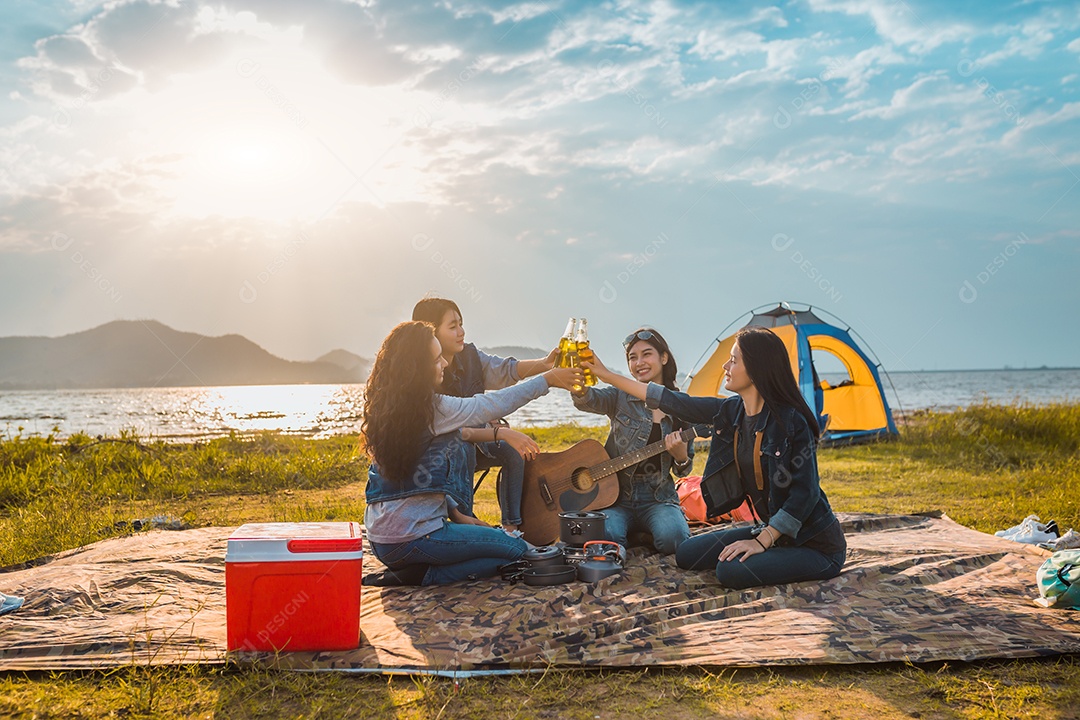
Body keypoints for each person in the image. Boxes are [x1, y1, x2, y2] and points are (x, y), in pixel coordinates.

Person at [582, 327, 846, 589]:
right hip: (773, 532)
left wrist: (761, 541)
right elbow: (671, 401)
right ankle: (770, 545)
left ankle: (776, 550)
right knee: (687, 554)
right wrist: (604, 374)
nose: (725, 365)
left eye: (733, 359)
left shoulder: (791, 422)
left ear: (756, 368)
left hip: (813, 543)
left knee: (729, 570)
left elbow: (805, 494)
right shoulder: (732, 411)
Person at [362, 320, 579, 586]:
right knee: (517, 551)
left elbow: (410, 478)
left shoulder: (390, 411)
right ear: (417, 368)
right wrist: (547, 380)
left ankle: (417, 566)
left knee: (498, 543)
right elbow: (488, 405)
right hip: (417, 538)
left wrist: (457, 513)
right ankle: (423, 574)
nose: (444, 364)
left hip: (382, 542)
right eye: (436, 359)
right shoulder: (433, 408)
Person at [412, 298, 558, 532]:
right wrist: (500, 431)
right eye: (452, 326)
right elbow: (460, 431)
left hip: (480, 437)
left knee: (513, 452)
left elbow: (506, 371)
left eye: (461, 323)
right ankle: (466, 523)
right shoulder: (423, 379)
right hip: (443, 454)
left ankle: (511, 528)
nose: (461, 332)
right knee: (462, 447)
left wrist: (546, 363)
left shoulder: (470, 356)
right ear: (430, 333)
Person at [571, 328, 692, 554]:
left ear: (664, 358)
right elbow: (586, 401)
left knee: (674, 540)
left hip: (658, 497)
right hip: (615, 497)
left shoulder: (680, 405)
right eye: (632, 357)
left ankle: (643, 531)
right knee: (606, 539)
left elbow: (684, 470)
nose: (639, 363)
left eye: (647, 354)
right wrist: (577, 381)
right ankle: (637, 534)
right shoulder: (619, 396)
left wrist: (682, 457)